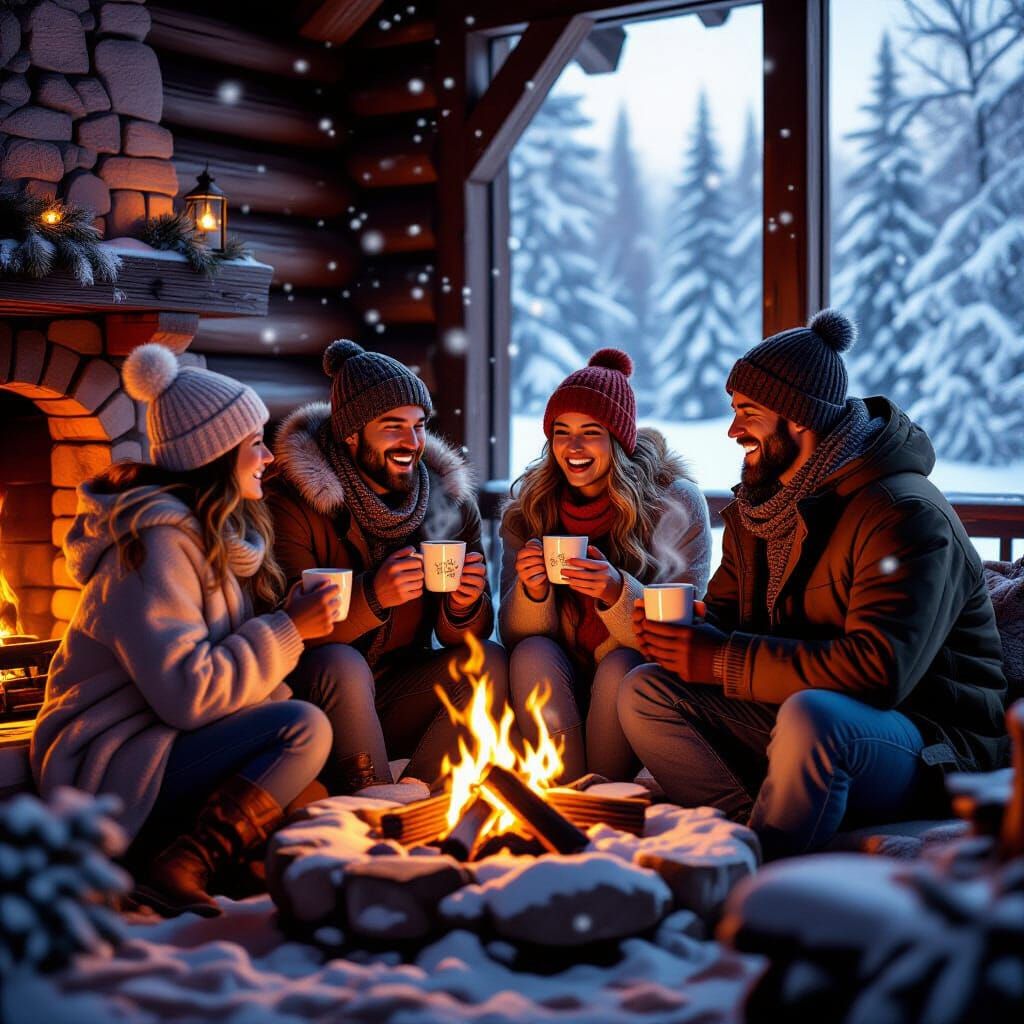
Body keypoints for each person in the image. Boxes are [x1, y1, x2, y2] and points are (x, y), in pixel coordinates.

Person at [619, 309, 1009, 859]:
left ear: (798, 417)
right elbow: (732, 622)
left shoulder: (901, 513)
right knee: (644, 688)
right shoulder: (760, 508)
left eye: (748, 412)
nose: (733, 431)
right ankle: (742, 844)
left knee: (814, 715)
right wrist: (698, 632)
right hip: (801, 715)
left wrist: (719, 659)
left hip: (931, 743)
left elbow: (878, 673)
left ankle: (774, 875)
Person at [31, 344, 340, 917]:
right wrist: (287, 629)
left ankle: (223, 860)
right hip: (112, 760)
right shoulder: (155, 546)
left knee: (308, 794)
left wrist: (285, 623)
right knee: (303, 730)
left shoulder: (208, 537)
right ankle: (176, 865)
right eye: (254, 444)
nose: (269, 457)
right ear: (217, 457)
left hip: (160, 742)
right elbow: (190, 696)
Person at [267, 340, 506, 792]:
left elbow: (467, 637)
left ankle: (419, 800)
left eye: (418, 426)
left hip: (397, 690)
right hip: (315, 698)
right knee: (342, 662)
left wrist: (464, 606)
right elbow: (284, 625)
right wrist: (372, 595)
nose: (411, 442)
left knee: (488, 660)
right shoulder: (294, 502)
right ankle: (371, 800)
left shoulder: (448, 505)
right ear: (351, 432)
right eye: (392, 426)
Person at [499, 349, 712, 783]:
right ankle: (561, 792)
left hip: (640, 693)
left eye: (590, 432)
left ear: (618, 439)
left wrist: (617, 592)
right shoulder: (529, 510)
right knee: (530, 652)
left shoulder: (674, 504)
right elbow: (513, 634)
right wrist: (533, 591)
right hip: (559, 682)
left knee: (621, 662)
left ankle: (604, 793)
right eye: (562, 432)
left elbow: (682, 636)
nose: (573, 447)